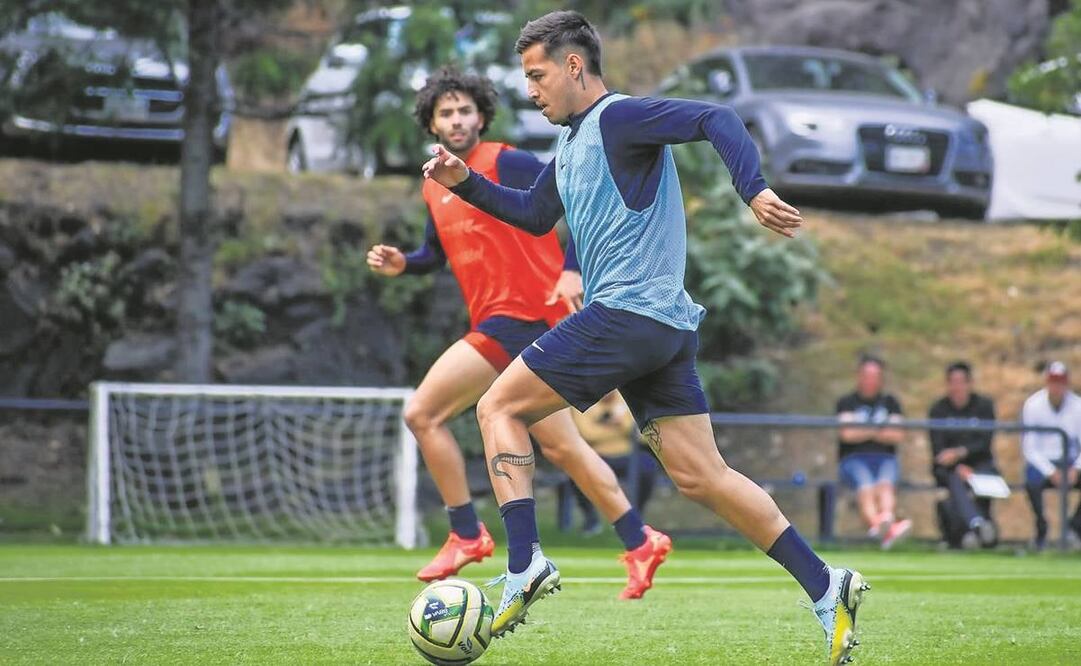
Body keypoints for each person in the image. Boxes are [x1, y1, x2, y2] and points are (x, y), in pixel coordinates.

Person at [421, 12, 867, 665]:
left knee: (498, 407)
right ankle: (828, 585)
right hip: (659, 327)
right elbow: (534, 213)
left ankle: (523, 565)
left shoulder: (621, 118)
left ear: (574, 67)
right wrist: (468, 184)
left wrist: (754, 190)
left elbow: (715, 117)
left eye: (537, 75)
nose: (530, 90)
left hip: (628, 314)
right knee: (701, 476)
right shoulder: (570, 147)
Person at [367, 67, 671, 598]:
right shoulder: (434, 184)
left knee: (422, 413)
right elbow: (434, 254)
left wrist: (573, 266)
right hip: (505, 322)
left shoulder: (507, 160)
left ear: (482, 116)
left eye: (466, 110)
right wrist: (404, 264)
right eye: (446, 112)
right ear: (432, 124)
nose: (457, 119)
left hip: (522, 316)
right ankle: (640, 539)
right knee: (564, 447)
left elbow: (579, 195)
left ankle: (466, 532)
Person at [835, 355, 912, 549]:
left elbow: (897, 435)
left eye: (875, 376)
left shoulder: (890, 402)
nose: (870, 380)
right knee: (866, 485)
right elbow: (847, 434)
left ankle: (884, 524)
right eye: (866, 375)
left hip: (885, 458)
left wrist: (863, 430)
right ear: (859, 376)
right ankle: (884, 528)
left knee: (885, 485)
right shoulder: (847, 402)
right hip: (853, 459)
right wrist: (878, 430)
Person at [562, 391, 659, 534]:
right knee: (576, 468)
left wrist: (620, 423)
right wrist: (618, 427)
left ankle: (636, 516)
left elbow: (643, 435)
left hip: (627, 456)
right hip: (595, 456)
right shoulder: (582, 400)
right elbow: (587, 434)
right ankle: (591, 520)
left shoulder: (628, 399)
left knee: (647, 465)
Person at [927, 361, 999, 549]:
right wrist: (957, 465)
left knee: (979, 477)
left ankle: (971, 530)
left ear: (969, 383)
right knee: (954, 478)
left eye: (961, 381)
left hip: (980, 465)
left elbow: (984, 442)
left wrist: (961, 454)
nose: (956, 386)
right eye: (952, 381)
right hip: (949, 469)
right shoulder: (938, 409)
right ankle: (977, 525)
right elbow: (938, 449)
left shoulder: (984, 406)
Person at [1021, 361, 1081, 550]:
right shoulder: (1033, 405)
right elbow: (1030, 447)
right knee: (1031, 481)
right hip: (1043, 462)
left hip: (1070, 460)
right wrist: (1050, 471)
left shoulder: (1078, 406)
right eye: (1053, 382)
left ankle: (1075, 526)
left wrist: (1076, 469)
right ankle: (1041, 526)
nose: (1057, 387)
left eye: (1061, 382)